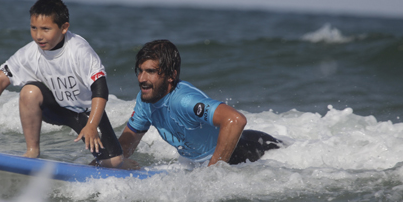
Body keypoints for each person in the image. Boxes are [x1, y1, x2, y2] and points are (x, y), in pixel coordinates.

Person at [0, 0, 123, 168]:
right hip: (54, 108)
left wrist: (92, 125)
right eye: (34, 28)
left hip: (85, 112)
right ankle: (32, 152)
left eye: (46, 29)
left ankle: (125, 165)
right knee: (29, 91)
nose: (38, 36)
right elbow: (0, 79)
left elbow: (101, 89)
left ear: (64, 28)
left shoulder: (79, 50)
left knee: (113, 163)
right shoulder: (30, 53)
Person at [117, 39, 281, 167]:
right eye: (140, 71)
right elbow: (125, 145)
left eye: (150, 72)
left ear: (171, 76)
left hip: (250, 151)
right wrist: (102, 165)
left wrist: (212, 174)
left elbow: (235, 120)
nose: (141, 79)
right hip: (199, 162)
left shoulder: (184, 100)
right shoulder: (145, 100)